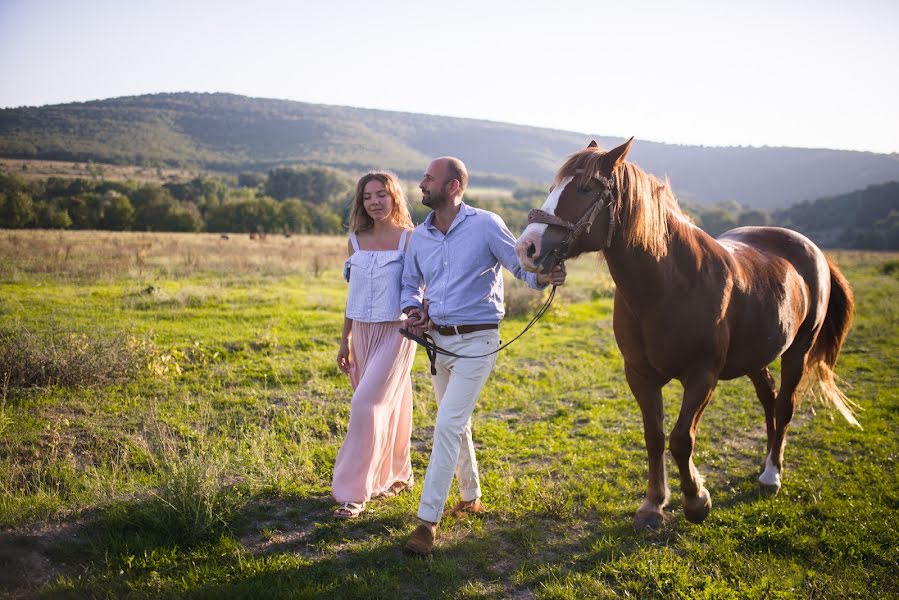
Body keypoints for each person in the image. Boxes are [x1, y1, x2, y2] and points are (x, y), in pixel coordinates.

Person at [400, 157, 566, 553]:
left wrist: (544, 276)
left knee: (446, 424)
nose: (422, 183)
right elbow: (410, 283)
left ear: (454, 186)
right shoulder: (418, 236)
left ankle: (427, 522)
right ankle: (471, 496)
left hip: (479, 341)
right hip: (437, 342)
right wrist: (414, 310)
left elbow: (522, 269)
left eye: (429, 178)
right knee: (456, 423)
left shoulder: (486, 224)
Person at [331, 171, 418, 518]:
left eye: (381, 194)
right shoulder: (355, 240)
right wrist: (345, 339)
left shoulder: (410, 239)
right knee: (391, 405)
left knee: (365, 405)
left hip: (397, 331)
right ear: (361, 202)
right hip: (363, 333)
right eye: (368, 197)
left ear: (394, 196)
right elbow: (354, 295)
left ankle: (353, 494)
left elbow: (419, 287)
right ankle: (398, 474)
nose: (375, 202)